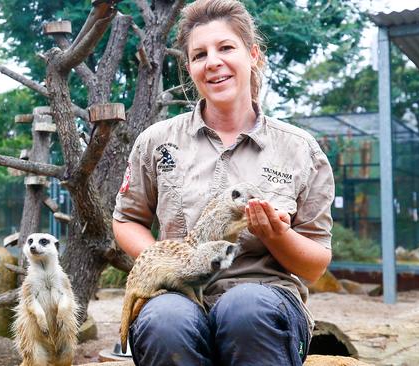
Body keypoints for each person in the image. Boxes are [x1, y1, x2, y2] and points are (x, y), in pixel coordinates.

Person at [111, 0, 335, 365]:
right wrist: (166, 264)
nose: (212, 61)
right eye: (199, 55)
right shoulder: (157, 142)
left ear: (253, 55)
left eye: (226, 48)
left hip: (265, 299)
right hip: (178, 296)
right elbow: (127, 219)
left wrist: (277, 236)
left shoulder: (300, 150)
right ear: (190, 68)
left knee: (244, 309)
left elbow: (314, 266)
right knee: (166, 320)